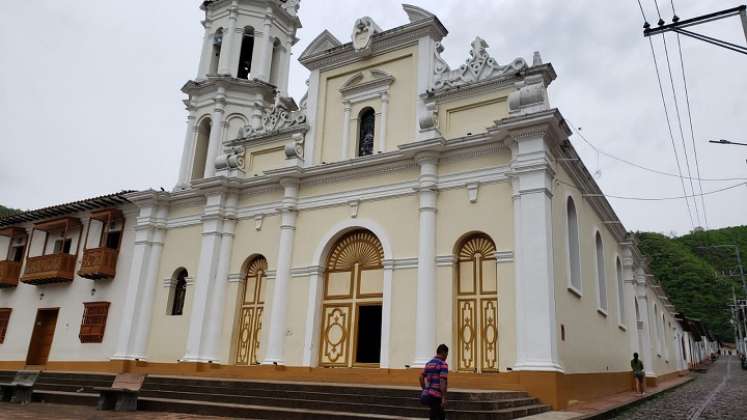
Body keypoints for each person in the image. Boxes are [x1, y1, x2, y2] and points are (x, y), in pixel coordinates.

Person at [419, 344, 448, 420]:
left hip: (429, 394)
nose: (446, 357)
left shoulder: (429, 363)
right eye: (446, 354)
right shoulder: (443, 364)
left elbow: (421, 377)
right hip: (437, 395)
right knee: (438, 415)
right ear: (443, 353)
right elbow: (442, 382)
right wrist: (444, 397)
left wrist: (424, 388)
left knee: (436, 414)